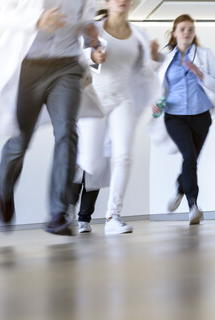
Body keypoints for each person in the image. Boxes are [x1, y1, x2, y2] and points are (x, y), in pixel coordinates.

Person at [0, 0, 102, 236]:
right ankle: (5, 191)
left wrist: (91, 33)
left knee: (67, 131)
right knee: (19, 140)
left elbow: (86, 19)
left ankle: (58, 213)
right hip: (27, 68)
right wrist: (34, 19)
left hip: (67, 66)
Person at [68, 0, 160, 234]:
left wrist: (155, 57)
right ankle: (68, 208)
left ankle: (113, 217)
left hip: (123, 100)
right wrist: (93, 56)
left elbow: (145, 71)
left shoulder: (139, 34)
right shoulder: (92, 28)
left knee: (124, 156)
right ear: (107, 2)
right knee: (90, 161)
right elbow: (77, 58)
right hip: (94, 99)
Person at [150, 14, 215, 225]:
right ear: (174, 33)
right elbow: (158, 90)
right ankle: (193, 206)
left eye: (191, 29)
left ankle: (180, 188)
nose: (187, 33)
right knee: (189, 156)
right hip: (175, 117)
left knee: (191, 160)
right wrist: (156, 106)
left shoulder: (204, 54)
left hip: (201, 115)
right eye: (182, 29)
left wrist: (200, 73)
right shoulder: (165, 59)